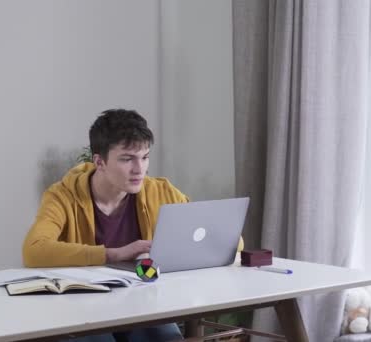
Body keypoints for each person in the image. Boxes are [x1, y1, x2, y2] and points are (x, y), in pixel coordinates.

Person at [22, 109, 243, 342]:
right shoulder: (62, 196)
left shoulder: (161, 191)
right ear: (99, 162)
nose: (139, 169)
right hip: (84, 308)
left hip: (142, 304)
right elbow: (34, 250)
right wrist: (113, 254)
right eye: (127, 159)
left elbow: (229, 239)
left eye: (145, 157)